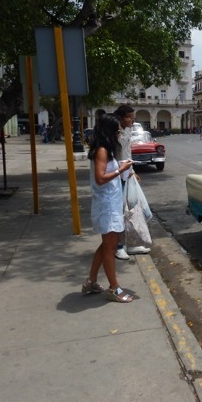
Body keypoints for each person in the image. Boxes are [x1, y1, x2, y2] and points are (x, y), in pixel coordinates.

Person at [83, 113, 135, 303]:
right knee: (110, 248)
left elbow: (105, 173)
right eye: (116, 131)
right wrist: (120, 170)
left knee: (107, 245)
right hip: (106, 206)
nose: (118, 134)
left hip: (110, 203)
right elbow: (100, 178)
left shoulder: (105, 150)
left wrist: (122, 168)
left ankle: (91, 281)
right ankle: (114, 289)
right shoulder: (102, 150)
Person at [114, 105, 151, 260]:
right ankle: (118, 247)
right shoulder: (114, 130)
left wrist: (132, 171)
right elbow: (115, 155)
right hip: (116, 176)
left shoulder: (127, 130)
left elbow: (127, 152)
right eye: (130, 117)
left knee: (132, 210)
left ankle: (128, 243)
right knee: (120, 211)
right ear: (122, 117)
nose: (133, 120)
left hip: (127, 173)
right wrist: (122, 171)